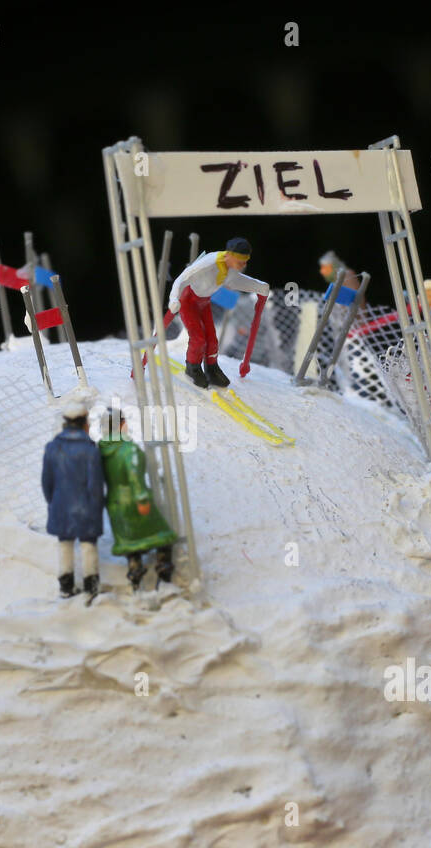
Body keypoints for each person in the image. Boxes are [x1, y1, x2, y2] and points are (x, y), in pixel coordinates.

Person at [167, 237, 269, 389]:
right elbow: (183, 277)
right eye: (240, 261)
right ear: (229, 255)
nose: (244, 265)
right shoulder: (209, 262)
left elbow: (237, 281)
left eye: (246, 261)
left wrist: (259, 287)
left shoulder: (231, 270)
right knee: (199, 339)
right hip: (188, 300)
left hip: (204, 302)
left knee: (213, 340)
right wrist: (174, 298)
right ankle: (193, 367)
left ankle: (212, 368)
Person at [99, 407, 177, 590]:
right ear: (120, 425)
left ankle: (135, 575)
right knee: (163, 535)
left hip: (115, 505)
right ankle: (164, 574)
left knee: (131, 542)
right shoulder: (128, 449)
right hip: (134, 502)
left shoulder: (101, 451)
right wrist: (142, 499)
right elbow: (134, 475)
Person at [41, 394, 104, 598]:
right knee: (88, 545)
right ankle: (91, 584)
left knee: (65, 544)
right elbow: (95, 484)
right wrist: (97, 505)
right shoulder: (89, 449)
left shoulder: (52, 448)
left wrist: (53, 502)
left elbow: (46, 482)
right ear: (83, 423)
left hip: (61, 504)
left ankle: (66, 585)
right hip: (85, 505)